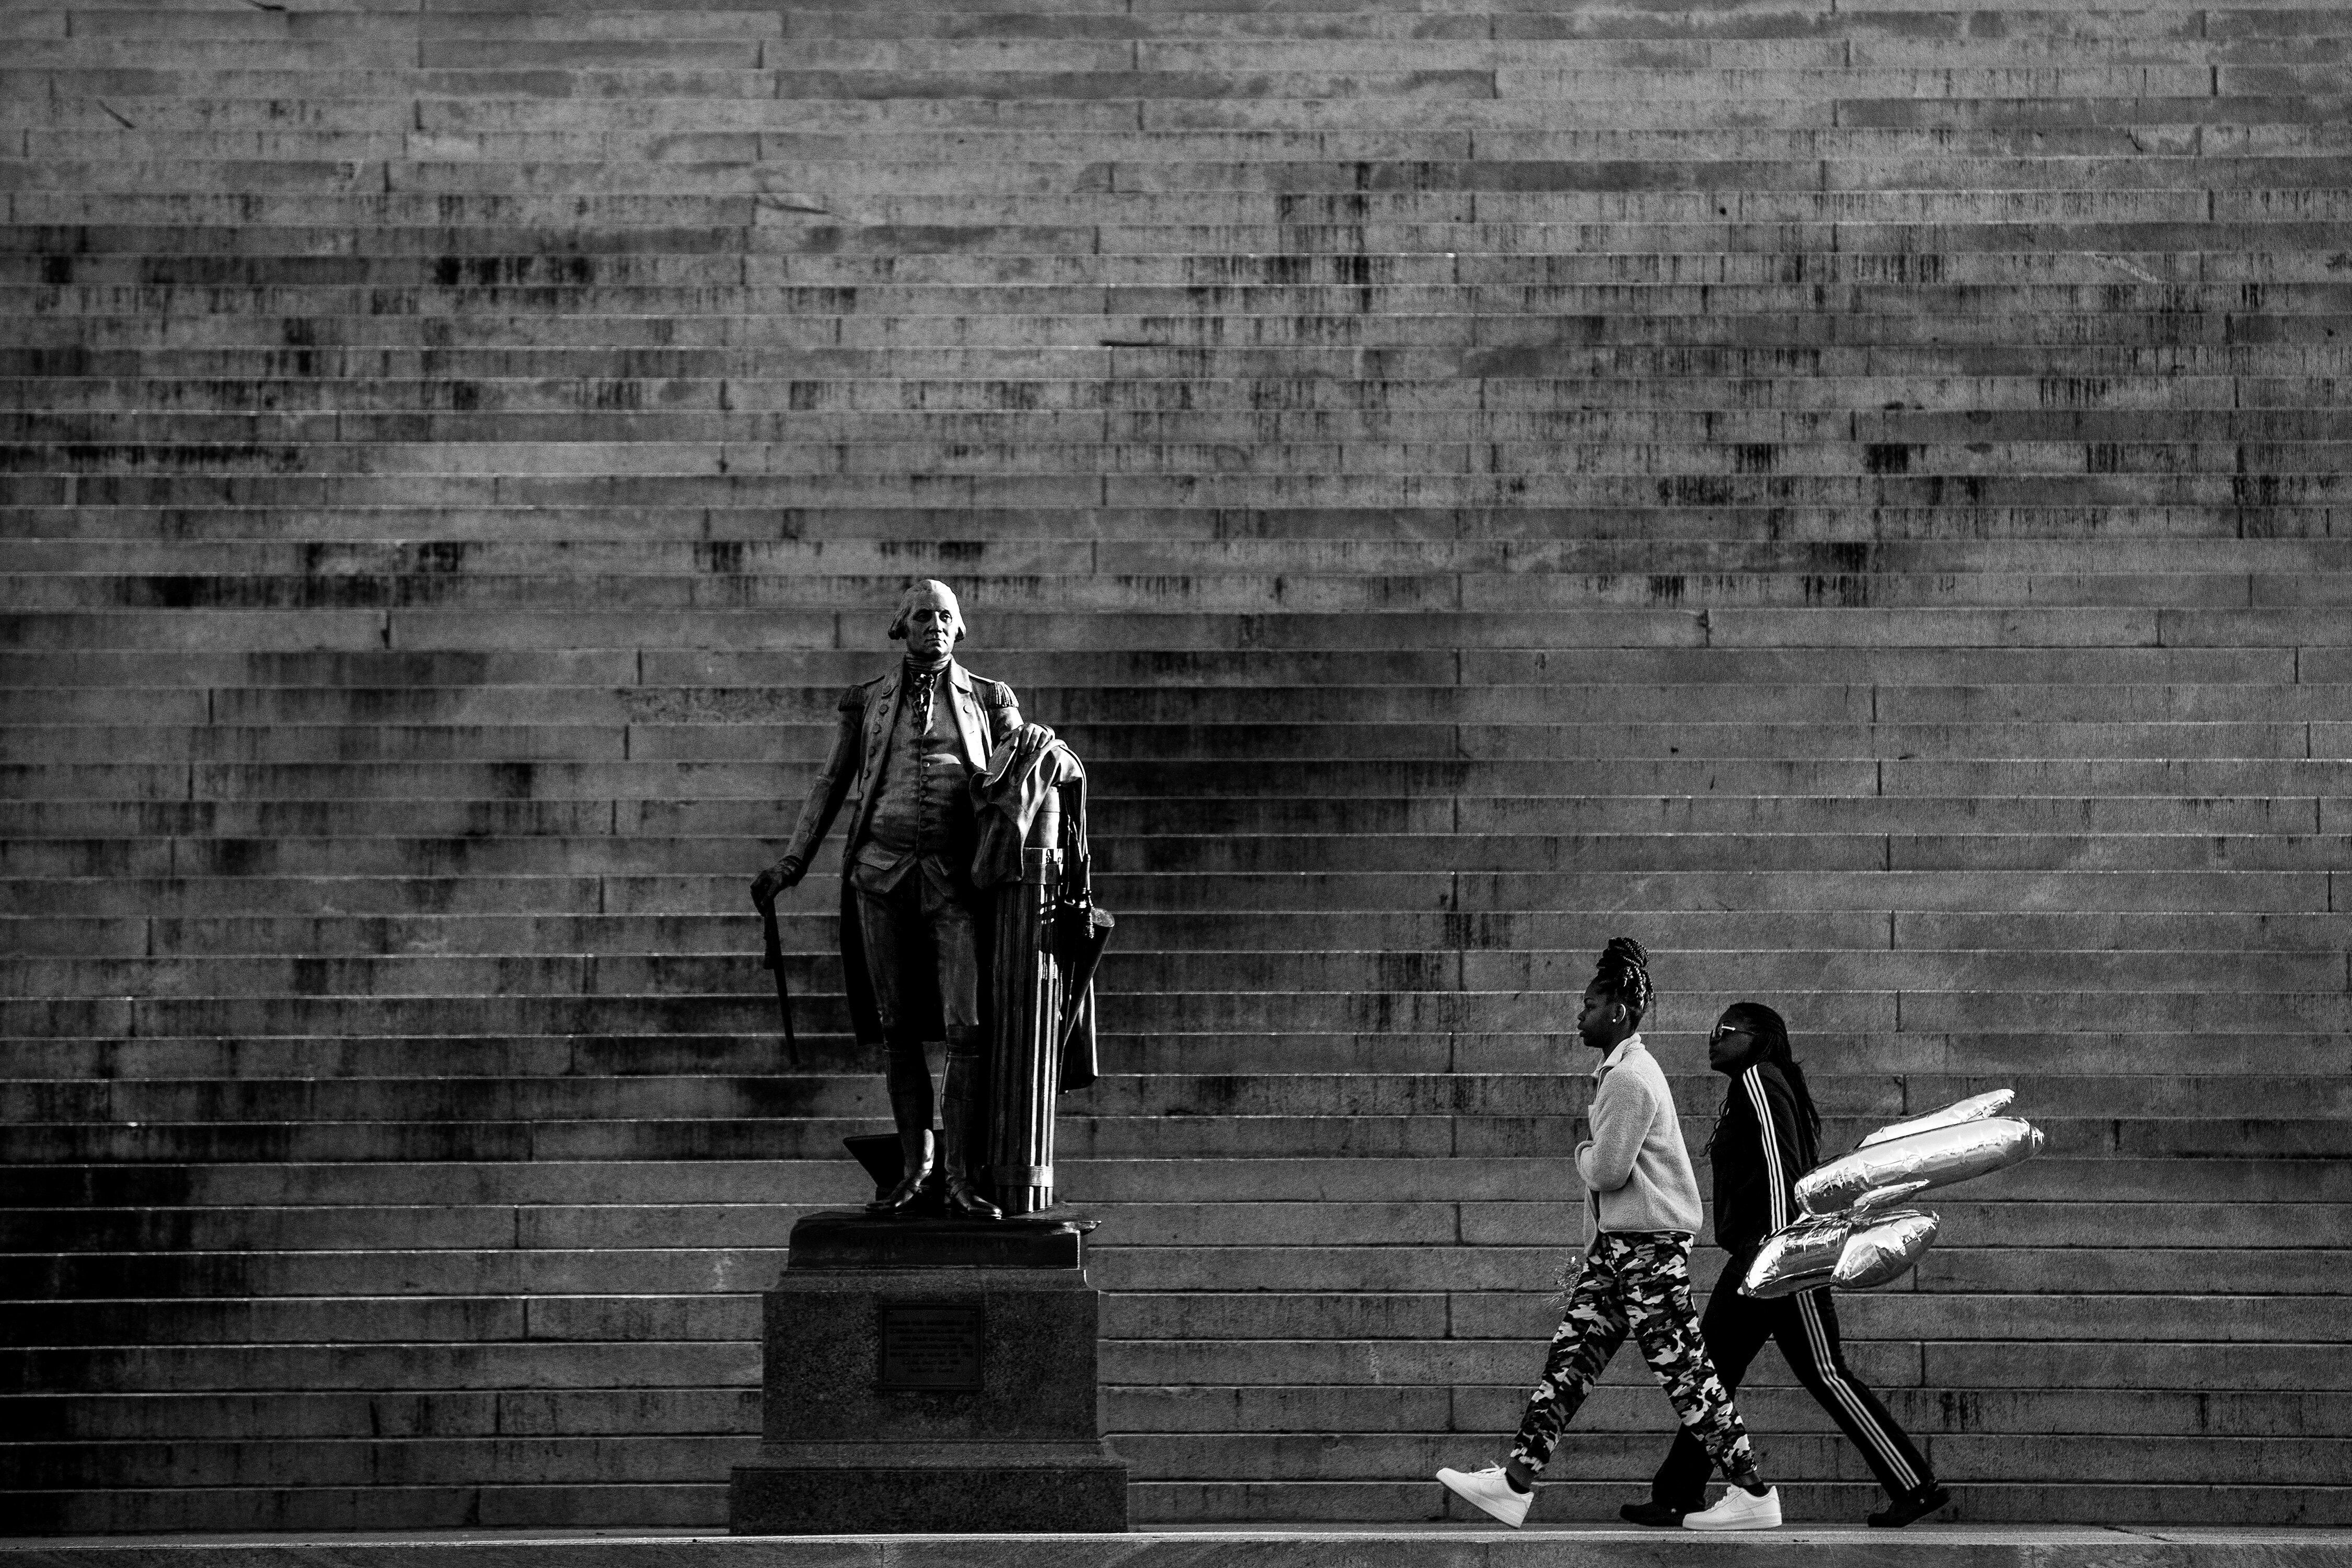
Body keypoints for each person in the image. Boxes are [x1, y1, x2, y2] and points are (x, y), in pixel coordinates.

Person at [1436, 938, 1781, 1531]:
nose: (1580, 1014)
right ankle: (1517, 1480)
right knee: (1571, 1360)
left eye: (1589, 1004)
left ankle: (1753, 1490)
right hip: (1624, 1248)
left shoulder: (1629, 1079)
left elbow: (1610, 1169)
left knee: (1685, 1371)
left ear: (1617, 1011)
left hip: (1648, 1249)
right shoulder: (1622, 1071)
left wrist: (1582, 1154)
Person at [750, 580, 1051, 1221]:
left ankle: (963, 1176)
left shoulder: (993, 699)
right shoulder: (865, 701)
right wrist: (793, 862)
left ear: (960, 628)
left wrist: (1035, 750)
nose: (936, 626)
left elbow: (1028, 776)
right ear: (900, 627)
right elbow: (831, 781)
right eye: (923, 616)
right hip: (878, 875)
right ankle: (916, 1169)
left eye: (947, 617)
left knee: (967, 1027)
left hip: (954, 879)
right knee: (897, 1029)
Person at [1620, 1001, 1950, 1530]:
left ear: (1757, 1037)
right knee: (1713, 1375)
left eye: (1725, 1030)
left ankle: (1914, 1484)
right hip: (1757, 1257)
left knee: (1824, 1372)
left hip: (1779, 1256)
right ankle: (1677, 1493)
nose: (1713, 1037)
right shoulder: (1751, 1084)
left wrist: (1783, 1251)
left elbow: (1782, 1167)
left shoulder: (1758, 1077)